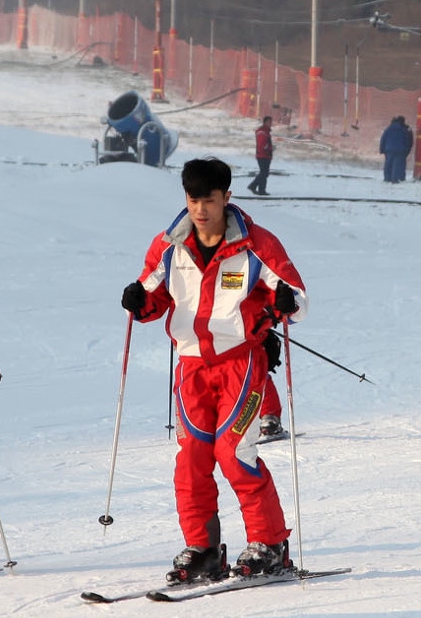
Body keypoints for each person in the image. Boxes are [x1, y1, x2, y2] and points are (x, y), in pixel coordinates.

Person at [125, 157, 306, 581]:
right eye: (193, 200)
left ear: (227, 197)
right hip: (190, 366)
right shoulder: (169, 245)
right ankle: (203, 547)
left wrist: (285, 303)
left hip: (239, 362)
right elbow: (152, 295)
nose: (200, 210)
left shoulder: (257, 245)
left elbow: (295, 294)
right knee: (191, 458)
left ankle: (270, 542)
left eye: (209, 200)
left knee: (233, 452)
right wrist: (139, 301)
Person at [379, 114, 414, 183]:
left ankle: (387, 178)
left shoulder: (388, 129)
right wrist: (407, 151)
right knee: (398, 166)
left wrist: (382, 149)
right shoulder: (404, 130)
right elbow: (408, 141)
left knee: (388, 165)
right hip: (400, 151)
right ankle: (397, 179)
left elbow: (383, 139)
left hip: (389, 150)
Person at [250, 116, 275, 196]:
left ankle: (260, 189)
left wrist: (270, 148)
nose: (271, 124)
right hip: (263, 155)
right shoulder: (262, 132)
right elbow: (262, 145)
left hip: (265, 155)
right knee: (264, 173)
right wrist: (269, 148)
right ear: (265, 122)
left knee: (264, 173)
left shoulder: (266, 131)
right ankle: (254, 187)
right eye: (269, 122)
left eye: (271, 122)